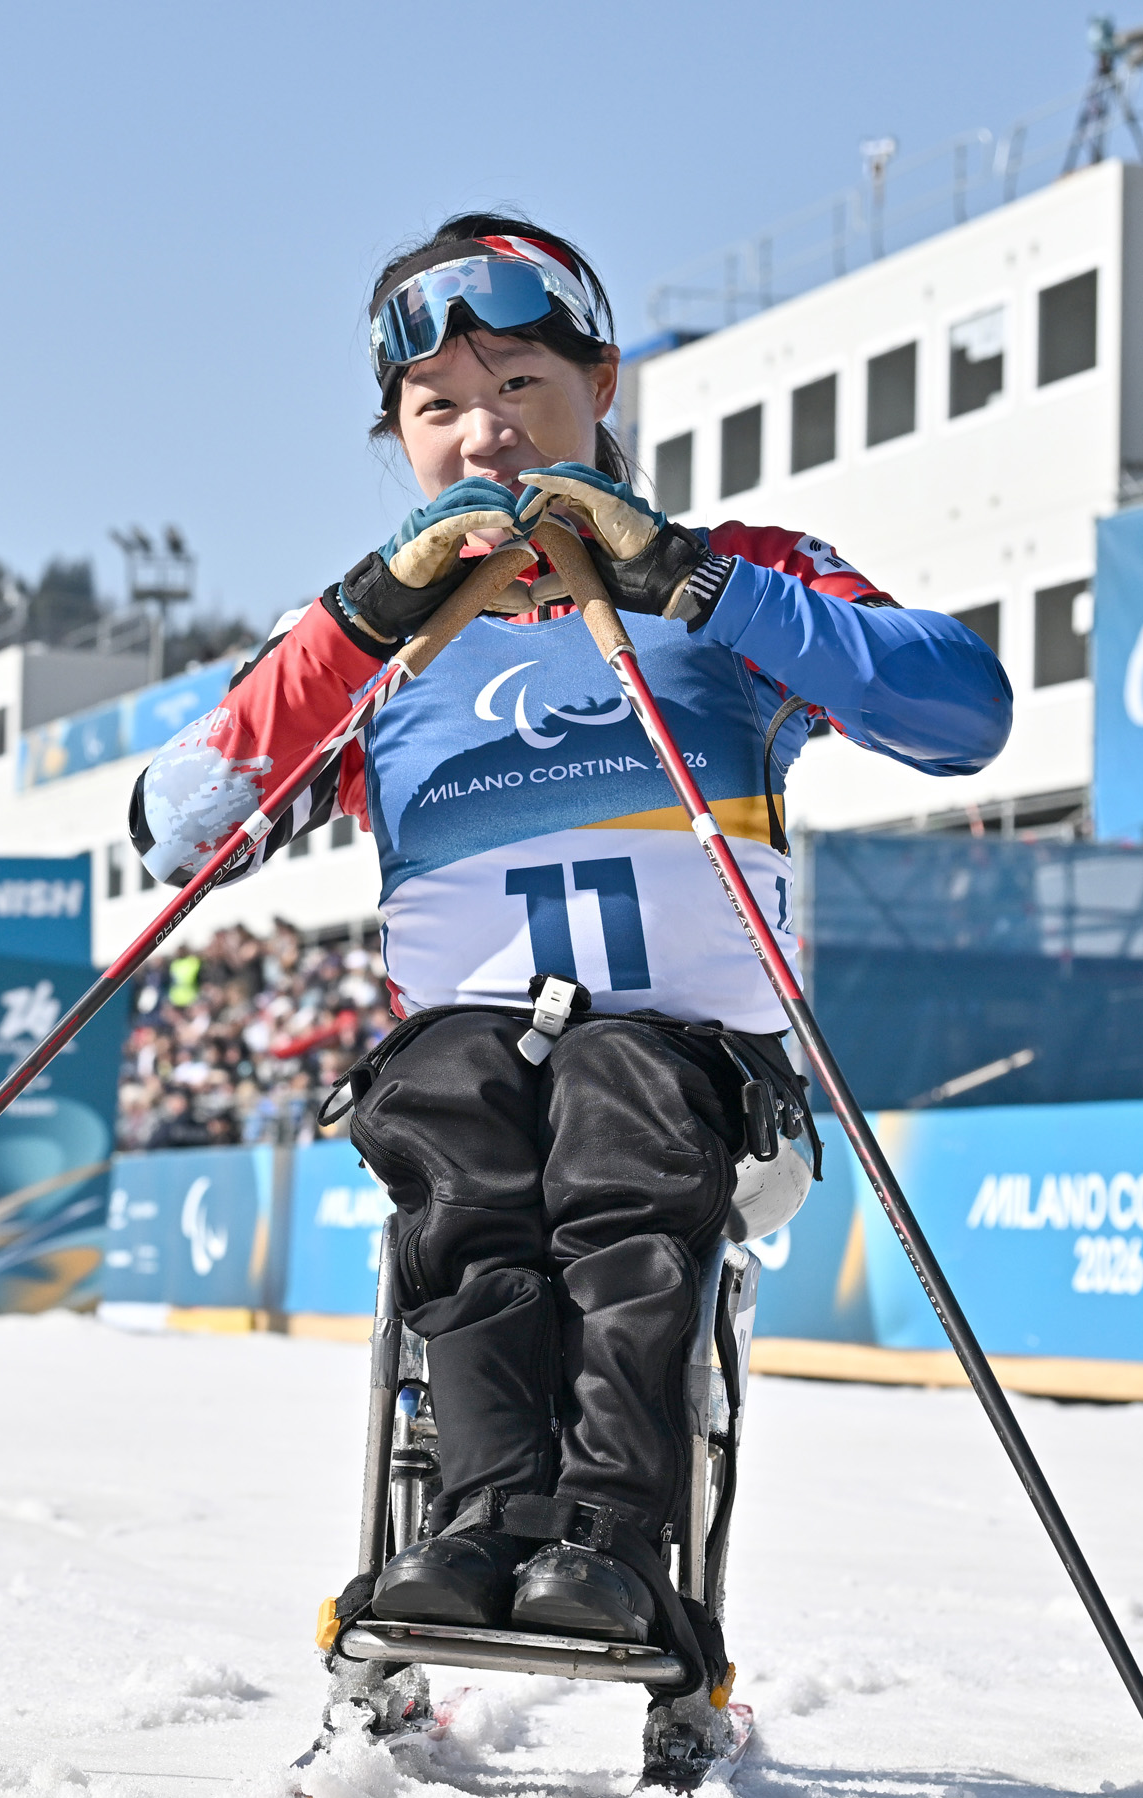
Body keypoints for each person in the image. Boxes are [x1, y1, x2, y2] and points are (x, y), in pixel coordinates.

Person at [128, 213, 1010, 1684]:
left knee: (612, 1089)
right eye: (437, 410)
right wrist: (358, 625)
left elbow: (963, 714)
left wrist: (690, 584)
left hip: (704, 1081)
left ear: (604, 388)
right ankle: (483, 1520)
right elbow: (174, 825)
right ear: (397, 439)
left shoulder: (737, 578)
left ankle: (609, 1535)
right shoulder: (372, 646)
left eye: (523, 386)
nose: (485, 437)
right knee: (462, 1091)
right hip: (469, 1064)